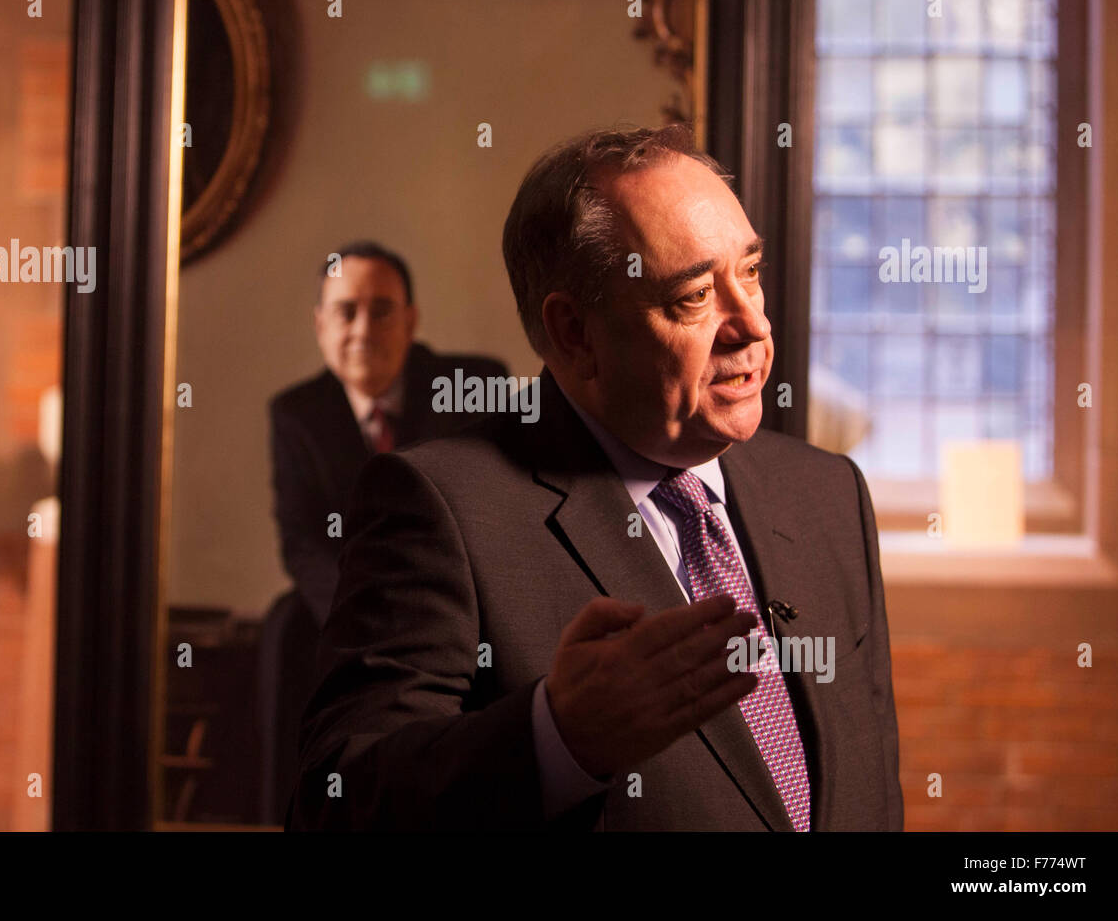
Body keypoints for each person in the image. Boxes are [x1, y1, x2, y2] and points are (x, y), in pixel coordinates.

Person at [288, 125, 903, 831]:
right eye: (695, 297)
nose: (752, 327)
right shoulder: (441, 509)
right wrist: (558, 739)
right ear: (576, 333)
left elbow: (872, 791)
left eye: (752, 273)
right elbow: (334, 804)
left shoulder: (830, 495)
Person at [260, 240, 506, 823]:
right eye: (346, 311)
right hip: (347, 607)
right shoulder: (296, 412)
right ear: (320, 325)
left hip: (460, 595)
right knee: (284, 635)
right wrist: (365, 622)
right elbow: (300, 538)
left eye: (382, 309)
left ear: (412, 320)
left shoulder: (474, 384)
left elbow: (497, 512)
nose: (363, 327)